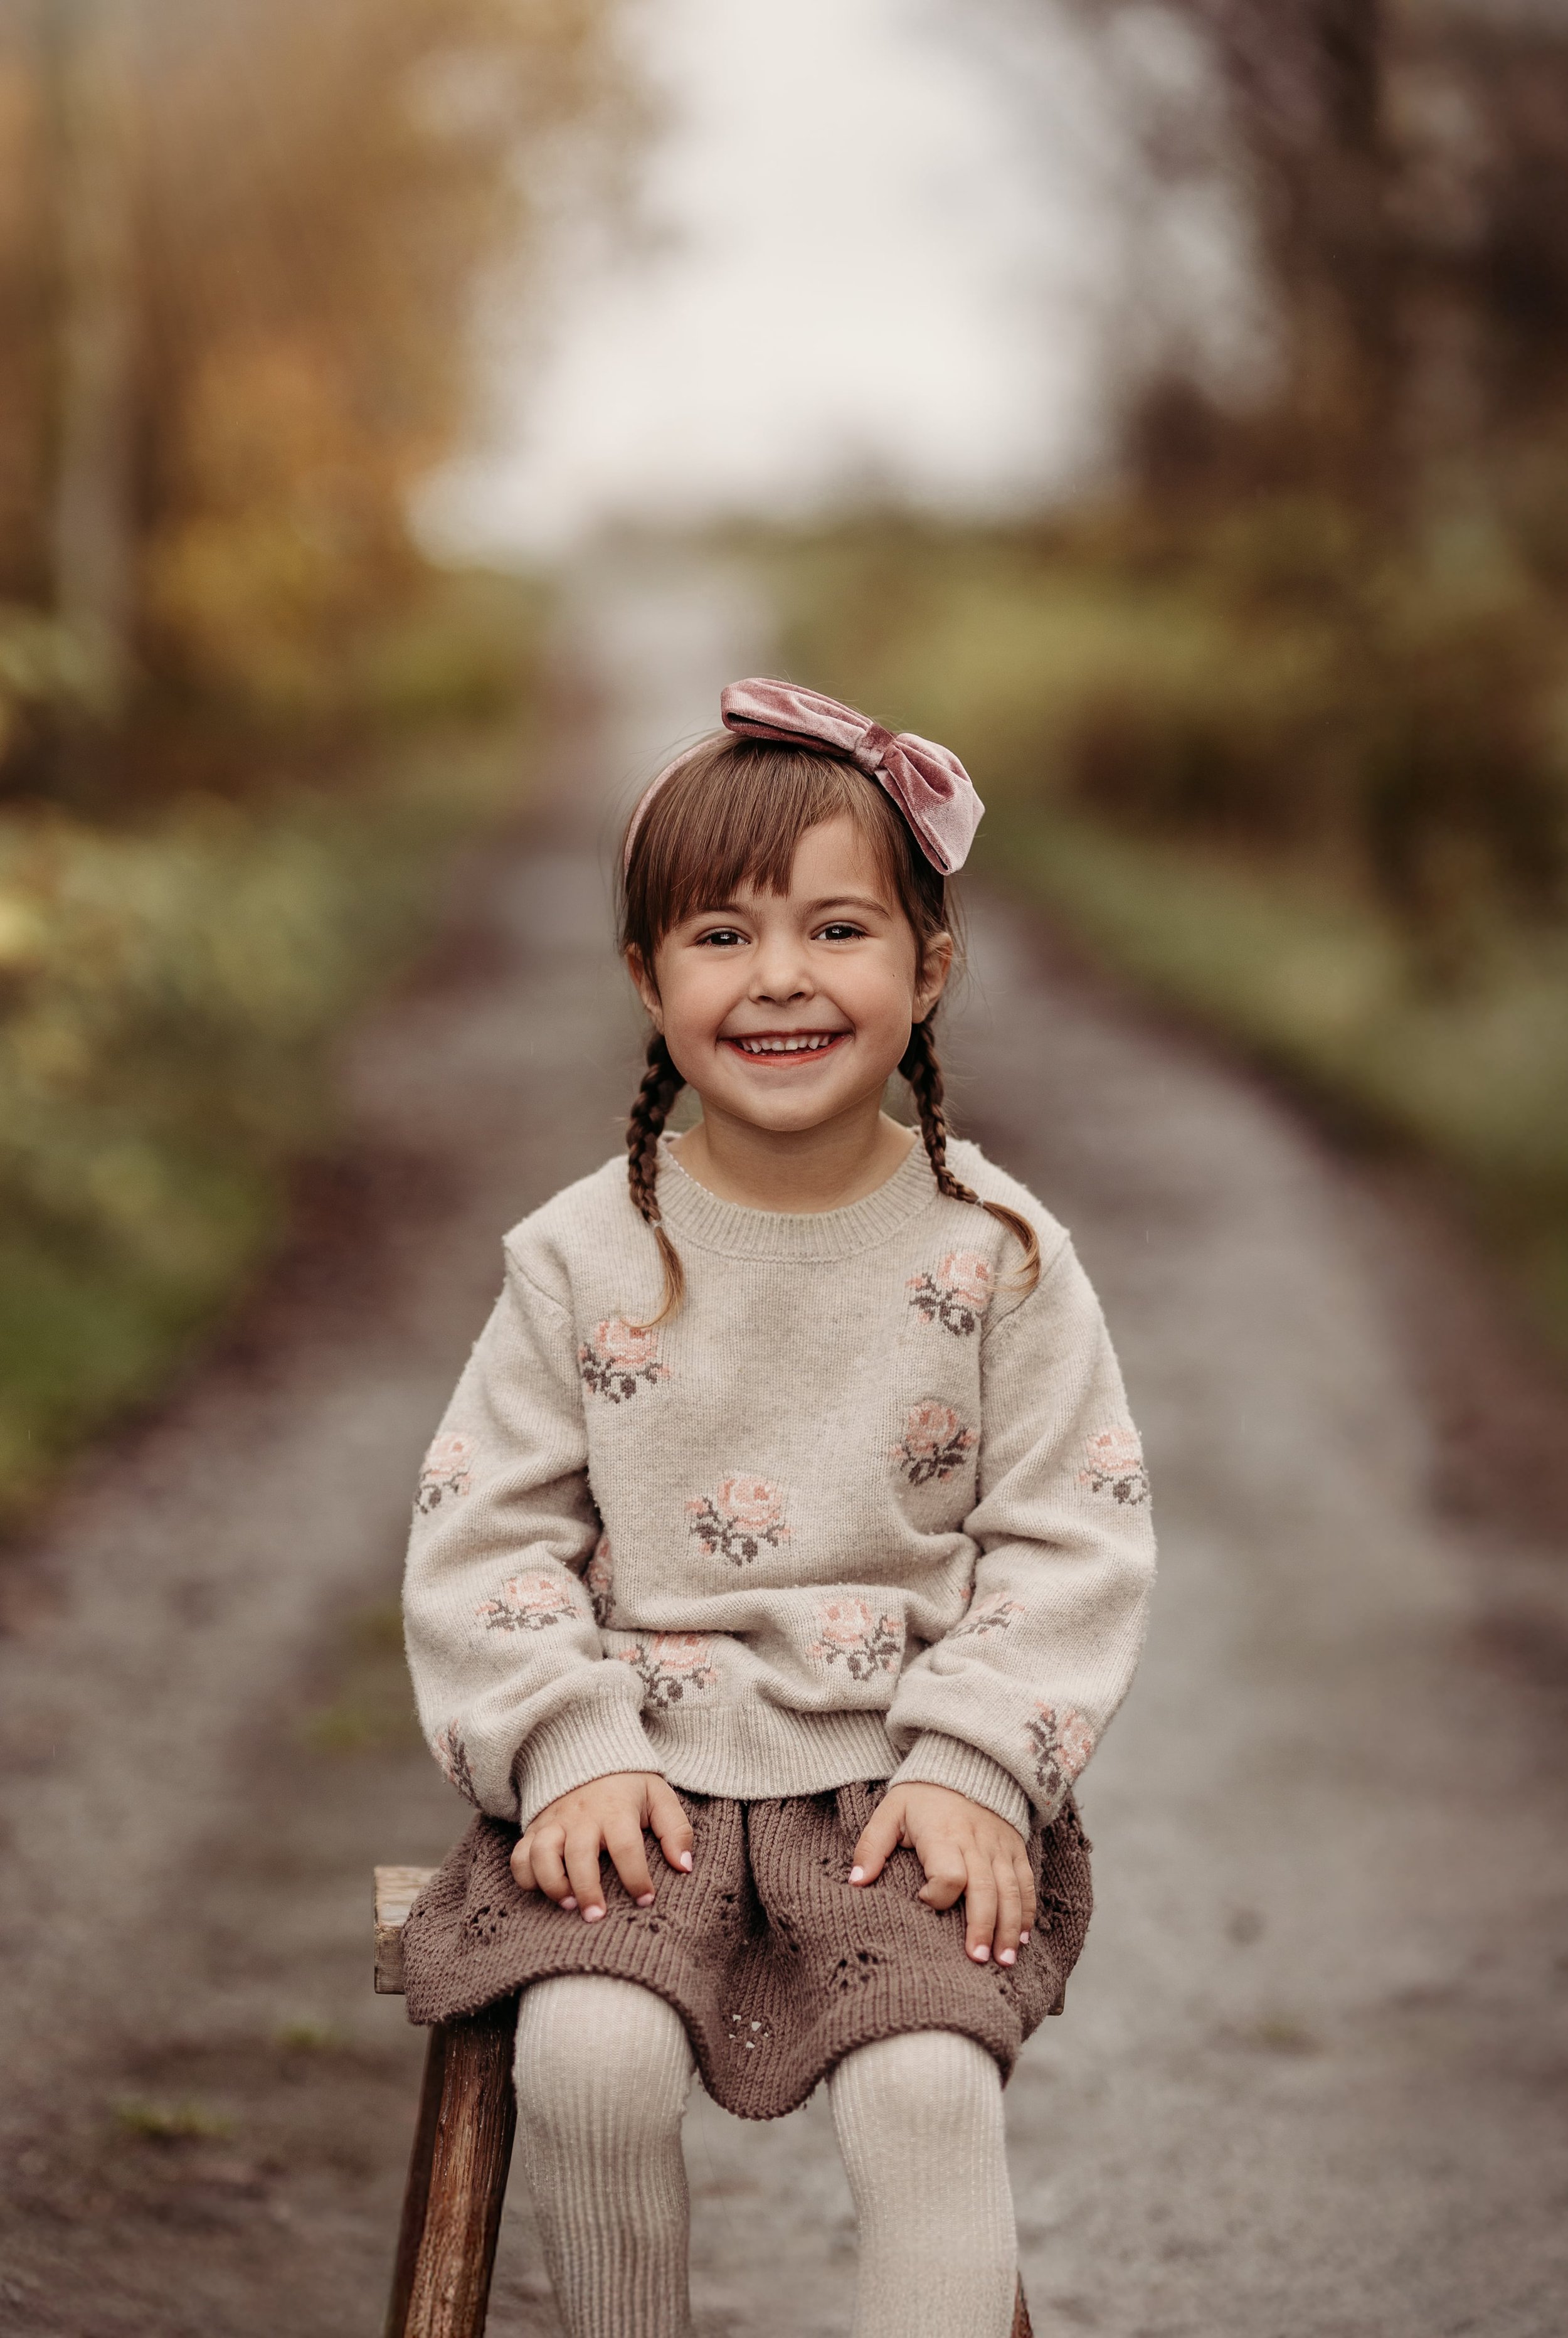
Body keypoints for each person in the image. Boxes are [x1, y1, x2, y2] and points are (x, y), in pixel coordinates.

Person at [400, 678, 1155, 2338]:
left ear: (927, 965)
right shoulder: (579, 1256)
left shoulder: (997, 1257)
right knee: (587, 2060)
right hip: (633, 1776)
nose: (782, 980)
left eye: (835, 929)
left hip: (898, 1781)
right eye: (722, 938)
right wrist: (564, 1741)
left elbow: (1067, 1535)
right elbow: (484, 1536)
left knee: (923, 2088)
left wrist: (975, 1765)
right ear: (646, 980)